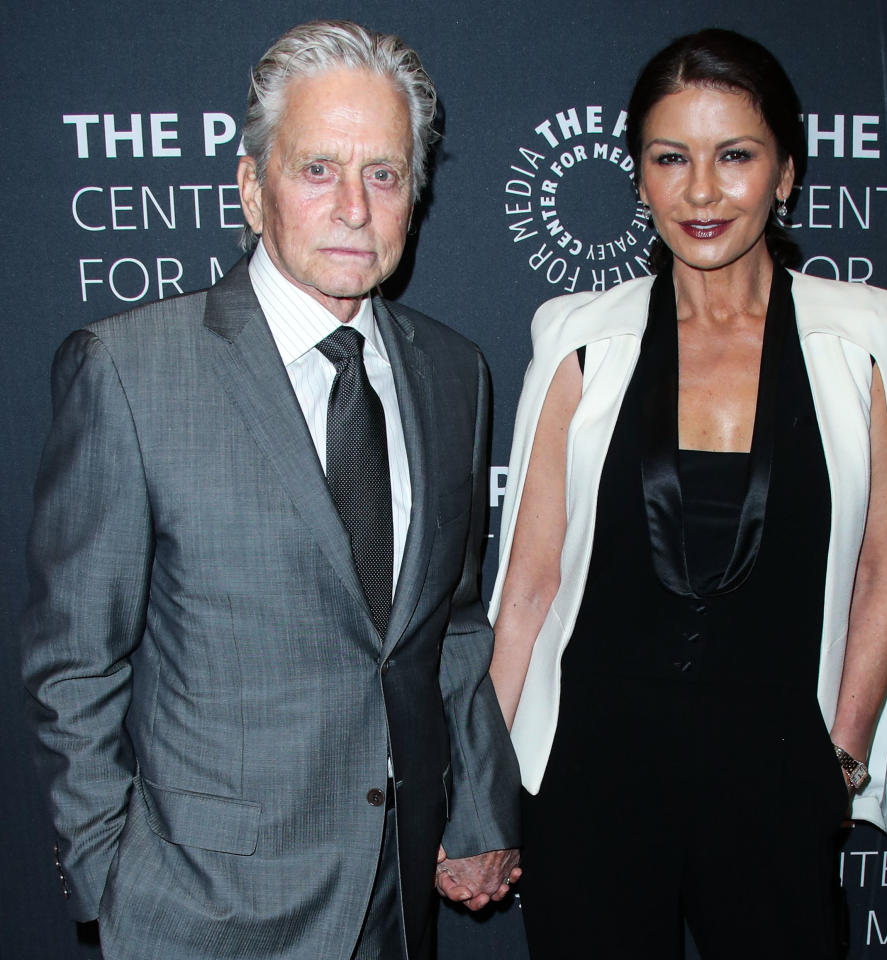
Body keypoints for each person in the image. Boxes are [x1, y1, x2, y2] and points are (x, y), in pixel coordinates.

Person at [21, 19, 520, 960]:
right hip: (202, 906)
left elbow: (452, 626)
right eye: (317, 169)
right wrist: (110, 880)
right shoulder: (129, 370)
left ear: (415, 195)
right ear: (254, 189)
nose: (355, 208)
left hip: (395, 894)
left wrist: (481, 803)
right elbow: (73, 661)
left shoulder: (456, 373)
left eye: (384, 173)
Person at [488, 28, 887, 960]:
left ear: (786, 173)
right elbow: (527, 584)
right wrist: (483, 784)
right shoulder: (578, 337)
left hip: (777, 781)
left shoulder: (866, 335)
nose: (701, 191)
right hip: (590, 777)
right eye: (670, 157)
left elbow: (884, 573)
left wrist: (837, 762)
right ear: (639, 178)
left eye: (735, 156)